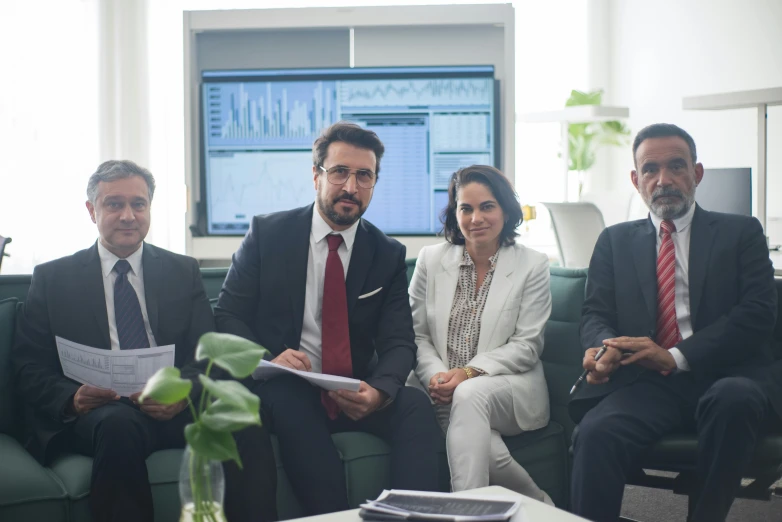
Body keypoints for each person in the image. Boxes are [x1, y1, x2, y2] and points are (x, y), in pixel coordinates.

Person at [13, 160, 278, 522]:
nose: (128, 215)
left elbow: (207, 352)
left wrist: (183, 393)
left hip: (175, 406)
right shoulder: (52, 279)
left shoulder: (183, 271)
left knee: (246, 420)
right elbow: (29, 366)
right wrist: (71, 398)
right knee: (118, 427)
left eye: (138, 204)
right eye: (114, 204)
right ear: (92, 211)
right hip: (103, 412)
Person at [215, 121, 442, 516]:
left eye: (364, 176)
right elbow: (228, 315)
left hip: (352, 388)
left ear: (374, 183)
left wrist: (379, 390)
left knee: (414, 407)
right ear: (316, 176)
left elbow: (399, 341)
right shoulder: (268, 234)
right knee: (291, 401)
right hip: (287, 384)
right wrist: (268, 357)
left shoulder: (386, 253)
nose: (351, 187)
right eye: (340, 172)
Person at [569, 123, 781, 522]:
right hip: (649, 384)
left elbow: (757, 315)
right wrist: (602, 349)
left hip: (727, 375)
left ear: (696, 174)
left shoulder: (741, 232)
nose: (663, 180)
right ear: (636, 180)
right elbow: (596, 313)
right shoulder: (614, 241)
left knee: (734, 399)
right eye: (650, 170)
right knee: (597, 433)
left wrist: (675, 356)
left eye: (675, 166)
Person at [408, 165, 553, 503]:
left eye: (487, 206)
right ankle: (542, 506)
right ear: (454, 213)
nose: (476, 218)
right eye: (466, 208)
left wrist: (468, 373)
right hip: (442, 388)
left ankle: (465, 510)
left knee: (470, 393)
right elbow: (415, 335)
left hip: (509, 387)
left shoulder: (532, 264)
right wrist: (438, 377)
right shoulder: (430, 260)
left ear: (505, 209)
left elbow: (527, 346)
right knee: (487, 445)